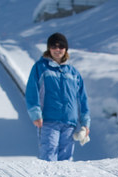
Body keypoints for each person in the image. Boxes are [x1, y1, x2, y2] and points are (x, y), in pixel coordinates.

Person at [25, 32, 90, 160]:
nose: (57, 50)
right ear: (49, 48)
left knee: (66, 159)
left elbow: (82, 98)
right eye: (54, 46)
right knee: (49, 155)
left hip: (69, 122)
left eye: (61, 47)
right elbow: (31, 91)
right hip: (48, 120)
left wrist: (85, 123)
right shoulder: (41, 67)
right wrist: (35, 114)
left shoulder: (73, 72)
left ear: (65, 49)